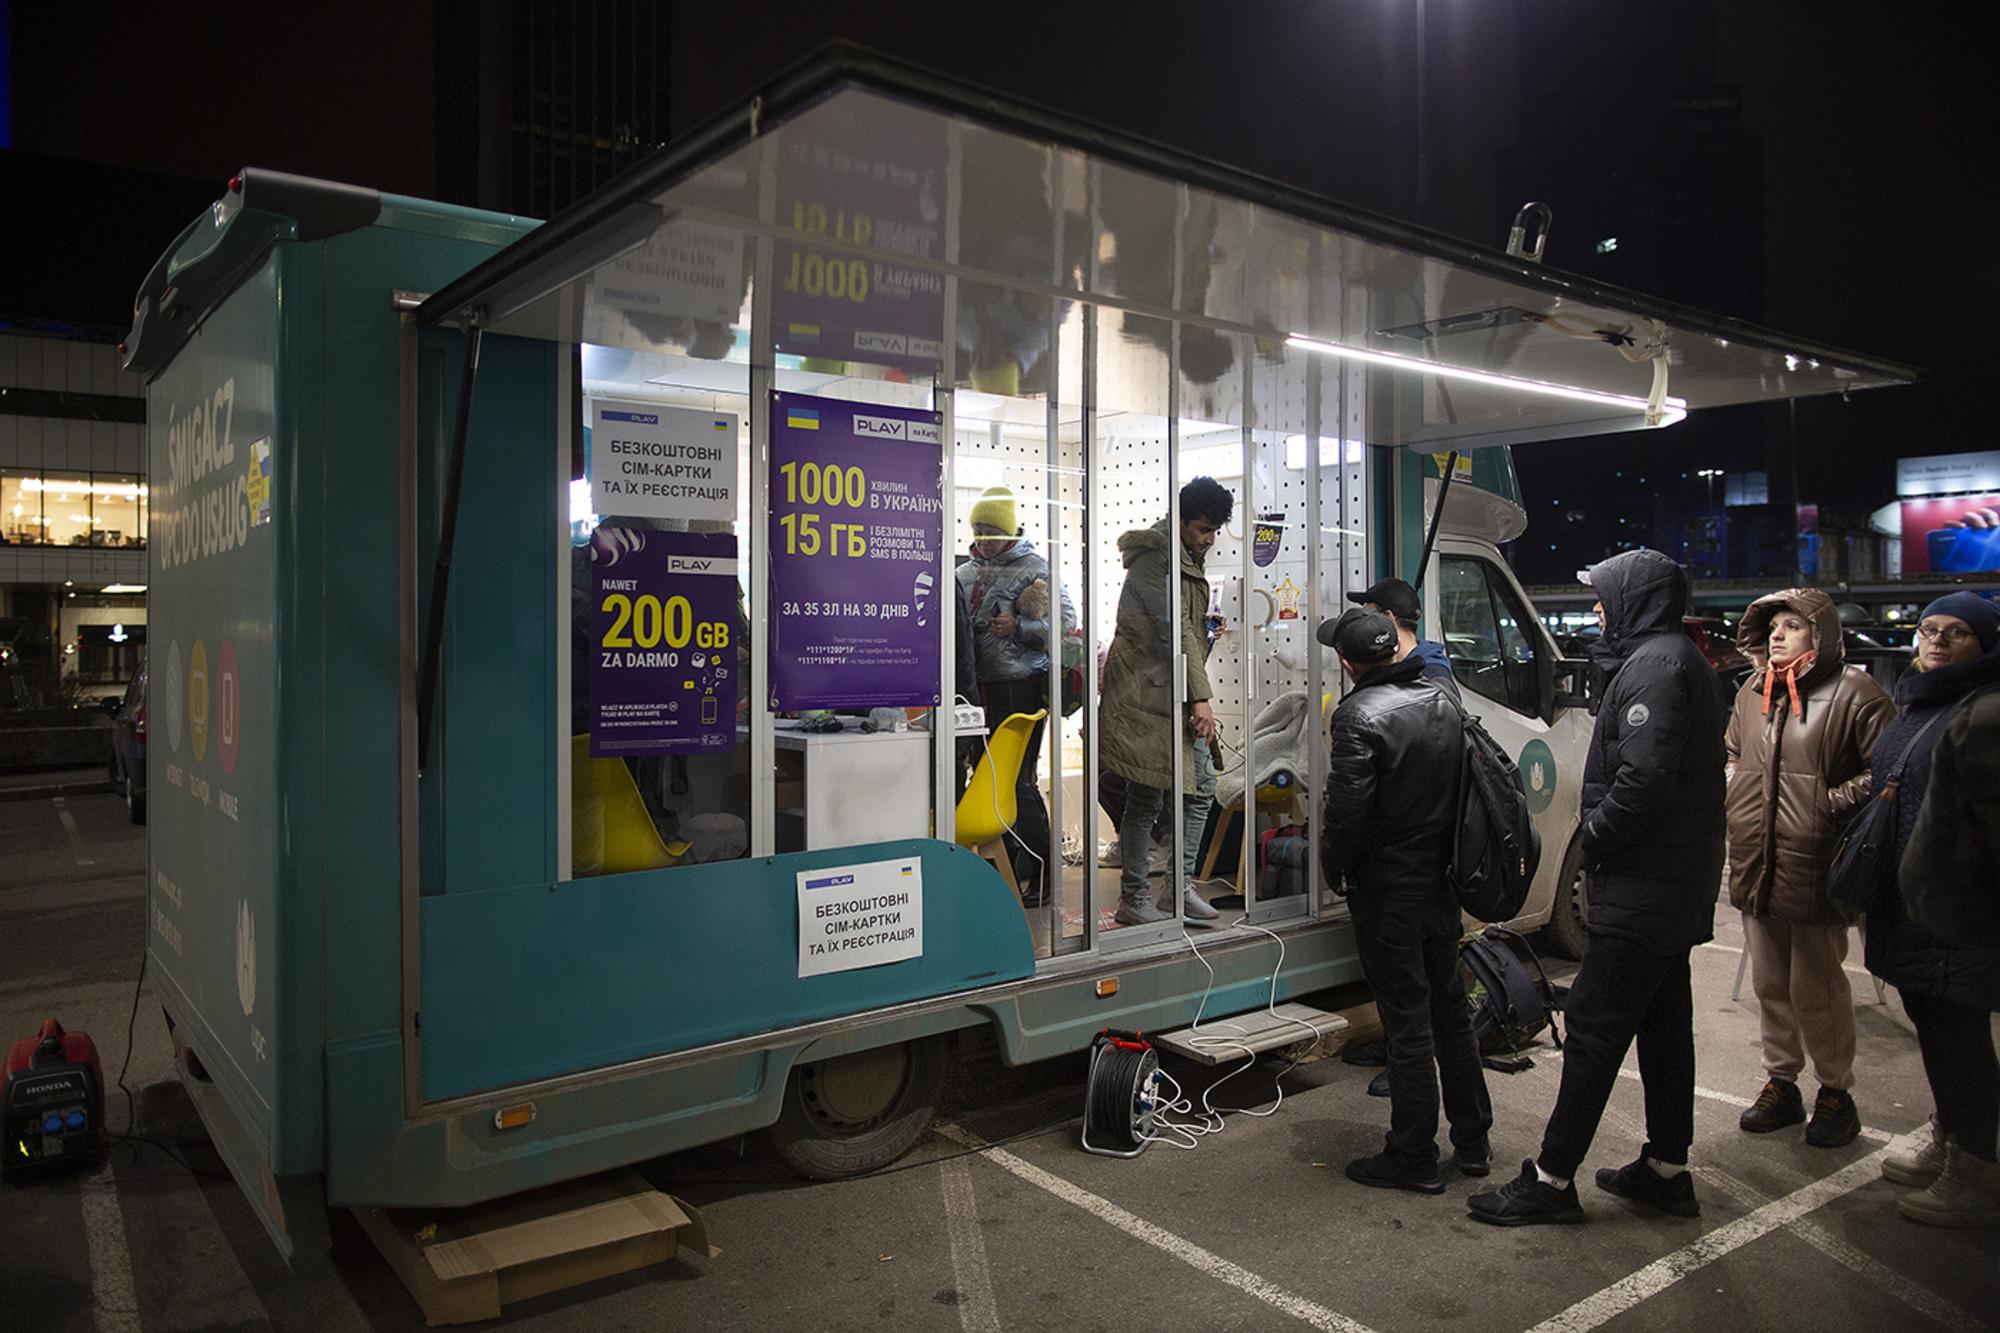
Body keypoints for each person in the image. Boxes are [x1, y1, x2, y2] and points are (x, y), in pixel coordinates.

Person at [1469, 548, 1726, 1226]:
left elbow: (1643, 779)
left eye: (1605, 597)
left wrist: (1596, 833)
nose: (1596, 609)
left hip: (1644, 889)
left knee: (1592, 1028)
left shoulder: (1656, 668)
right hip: (1671, 887)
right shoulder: (1675, 658)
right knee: (1664, 1028)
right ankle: (1667, 1170)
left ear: (1634, 600)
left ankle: (1552, 1181)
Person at [1319, 606, 1492, 1193]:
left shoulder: (1357, 715)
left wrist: (1334, 870)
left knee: (1407, 1025)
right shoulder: (1442, 699)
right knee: (1450, 1015)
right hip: (1441, 884)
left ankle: (1412, 1155)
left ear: (1347, 663)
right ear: (1393, 650)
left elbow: (1346, 813)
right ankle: (1474, 1141)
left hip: (1388, 890)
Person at [1724, 589, 1892, 1148]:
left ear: (1820, 634)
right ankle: (1782, 1082)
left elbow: (1887, 770)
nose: (1778, 635)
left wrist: (1828, 803)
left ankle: (1836, 1092)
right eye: (1773, 626)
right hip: (1756, 857)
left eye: (1792, 626)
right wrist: (1735, 789)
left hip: (1819, 861)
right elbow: (1732, 752)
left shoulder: (1856, 693)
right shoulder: (1752, 690)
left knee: (1816, 985)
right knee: (1770, 981)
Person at [1862, 591, 2000, 1226]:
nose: (1937, 641)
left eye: (1957, 632)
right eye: (1928, 629)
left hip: (1961, 909)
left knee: (1960, 1031)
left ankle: (1977, 1173)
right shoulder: (1920, 702)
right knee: (1933, 1021)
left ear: (1985, 644)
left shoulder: (1985, 709)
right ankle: (1951, 1139)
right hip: (1911, 900)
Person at [1099, 476, 1234, 926]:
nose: (1209, 539)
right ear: (1181, 521)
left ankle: (1177, 888)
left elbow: (1185, 630)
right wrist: (1202, 697)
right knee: (1147, 795)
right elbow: (1174, 629)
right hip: (1148, 693)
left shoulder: (1184, 556)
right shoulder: (1157, 556)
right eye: (1202, 529)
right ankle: (1135, 897)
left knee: (1201, 786)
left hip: (1170, 689)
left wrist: (1204, 636)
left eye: (1214, 531)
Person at [956, 487, 1075, 906]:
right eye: (978, 530)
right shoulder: (964, 571)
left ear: (1009, 531)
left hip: (1018, 689)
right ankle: (998, 872)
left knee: (1017, 782)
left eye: (990, 531)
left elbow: (1065, 626)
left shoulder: (1035, 568)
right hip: (972, 690)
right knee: (980, 783)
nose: (983, 539)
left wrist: (1019, 627)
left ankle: (1041, 875)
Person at [1349, 577, 1456, 693]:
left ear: (1388, 618)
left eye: (1368, 616)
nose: (1364, 624)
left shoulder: (1430, 677)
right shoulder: (1404, 670)